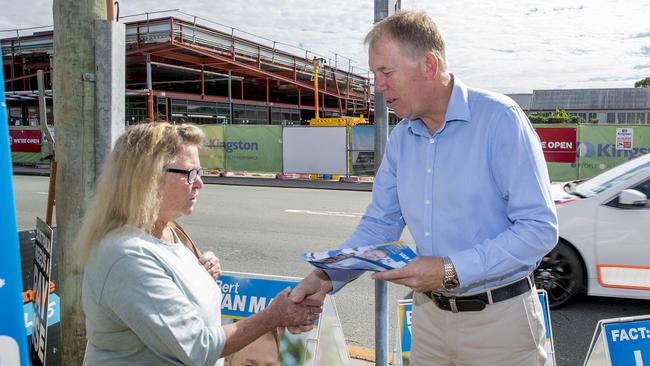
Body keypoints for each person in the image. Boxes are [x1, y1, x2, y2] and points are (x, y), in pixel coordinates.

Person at [289, 10, 558, 366]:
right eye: (375, 75)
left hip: (500, 325)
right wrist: (325, 276)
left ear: (429, 65)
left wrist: (450, 269)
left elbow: (539, 230)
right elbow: (380, 224)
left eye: (386, 73)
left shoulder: (500, 120)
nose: (378, 87)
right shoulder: (402, 139)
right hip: (429, 321)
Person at [80, 122, 321, 365]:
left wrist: (201, 274)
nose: (199, 183)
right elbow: (199, 347)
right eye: (189, 174)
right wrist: (273, 317)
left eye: (199, 173)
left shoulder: (167, 231)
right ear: (148, 177)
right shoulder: (127, 255)